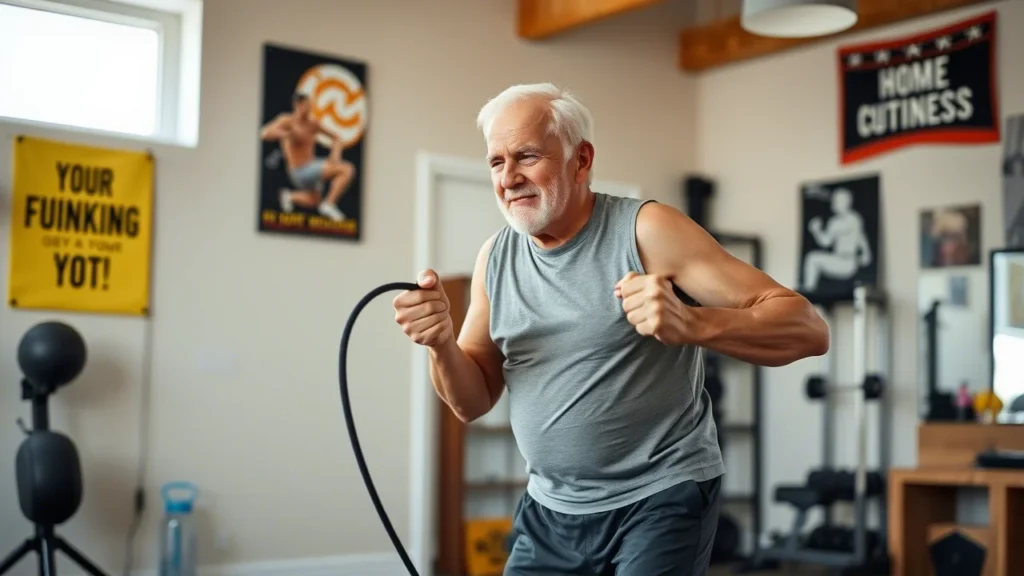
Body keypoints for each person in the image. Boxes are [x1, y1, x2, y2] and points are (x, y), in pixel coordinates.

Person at [392, 83, 830, 575]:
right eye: (496, 162)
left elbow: (808, 328)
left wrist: (691, 322)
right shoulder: (496, 258)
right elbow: (472, 401)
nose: (509, 178)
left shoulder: (647, 230)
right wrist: (440, 345)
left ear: (581, 161)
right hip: (551, 511)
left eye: (527, 156)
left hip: (659, 498)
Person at [260, 92, 354, 221]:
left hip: (311, 168)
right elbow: (264, 133)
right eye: (306, 105)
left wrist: (335, 154)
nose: (309, 109)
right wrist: (286, 134)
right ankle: (329, 204)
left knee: (314, 201)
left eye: (310, 106)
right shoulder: (287, 121)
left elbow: (337, 138)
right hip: (298, 171)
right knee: (346, 169)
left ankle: (289, 196)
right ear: (297, 105)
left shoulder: (313, 124)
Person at [801, 187, 872, 292]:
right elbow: (825, 242)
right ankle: (808, 290)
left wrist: (866, 253)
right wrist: (816, 230)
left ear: (847, 202)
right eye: (834, 201)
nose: (834, 204)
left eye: (838, 201)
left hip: (848, 262)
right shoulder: (834, 221)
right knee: (812, 258)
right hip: (837, 258)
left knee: (813, 259)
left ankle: (808, 290)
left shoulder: (853, 219)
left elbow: (861, 237)